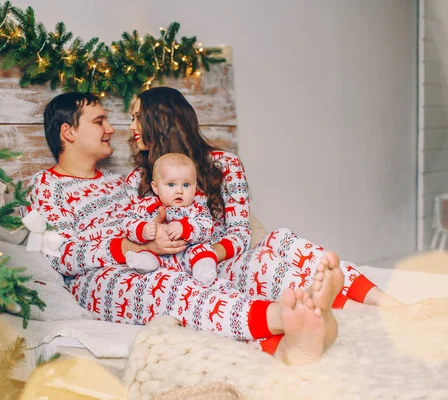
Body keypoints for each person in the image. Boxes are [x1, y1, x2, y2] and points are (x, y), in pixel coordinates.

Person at [23, 91, 344, 365]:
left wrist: (160, 233)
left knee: (204, 279)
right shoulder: (47, 185)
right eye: (99, 121)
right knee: (167, 285)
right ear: (68, 132)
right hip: (98, 275)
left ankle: (295, 331)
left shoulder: (120, 183)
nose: (111, 129)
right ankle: (280, 319)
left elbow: (144, 218)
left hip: (155, 257)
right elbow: (60, 254)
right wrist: (133, 248)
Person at [127, 86, 427, 315]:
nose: (131, 126)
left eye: (137, 117)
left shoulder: (224, 164)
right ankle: (361, 314)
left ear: (161, 120)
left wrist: (206, 253)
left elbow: (240, 233)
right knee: (265, 264)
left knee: (281, 238)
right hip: (200, 274)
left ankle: (393, 305)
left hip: (222, 256)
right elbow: (132, 235)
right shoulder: (142, 178)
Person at [123, 153, 219, 286]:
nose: (179, 191)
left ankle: (203, 273)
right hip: (160, 255)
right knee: (147, 254)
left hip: (188, 253)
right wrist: (142, 229)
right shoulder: (148, 205)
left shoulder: (197, 208)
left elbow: (208, 227)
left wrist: (186, 228)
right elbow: (128, 221)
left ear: (195, 187)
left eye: (186, 185)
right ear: (156, 188)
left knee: (204, 251)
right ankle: (143, 263)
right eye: (171, 184)